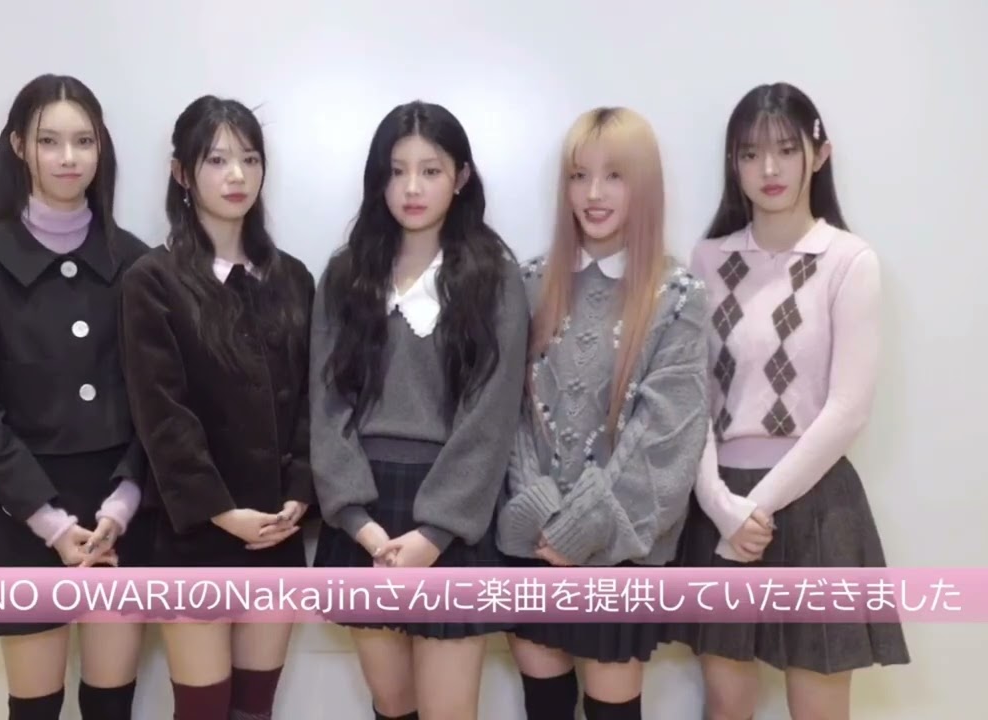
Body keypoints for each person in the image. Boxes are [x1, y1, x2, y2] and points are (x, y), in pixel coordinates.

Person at [668, 81, 911, 720]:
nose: (768, 169)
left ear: (819, 154)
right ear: (733, 163)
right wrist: (719, 504)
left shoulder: (849, 261)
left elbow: (848, 410)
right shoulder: (707, 260)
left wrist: (756, 507)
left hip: (815, 502)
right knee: (726, 707)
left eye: (785, 149)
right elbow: (691, 395)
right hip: (719, 501)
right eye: (750, 154)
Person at [0, 73, 153, 720]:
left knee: (111, 706)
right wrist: (54, 527)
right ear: (18, 147)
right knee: (34, 709)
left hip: (121, 512)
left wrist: (122, 504)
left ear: (101, 148)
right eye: (49, 141)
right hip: (22, 518)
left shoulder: (140, 263)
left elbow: (159, 408)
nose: (68, 157)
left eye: (84, 141)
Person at [309, 100, 529, 720]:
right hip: (365, 509)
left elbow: (491, 416)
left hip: (452, 514)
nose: (411, 188)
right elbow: (326, 405)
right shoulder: (346, 274)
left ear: (461, 178)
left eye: (430, 171)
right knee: (392, 704)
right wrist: (360, 523)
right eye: (396, 170)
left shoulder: (493, 276)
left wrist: (434, 533)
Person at [495, 106, 711, 720]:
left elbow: (668, 436)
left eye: (614, 175)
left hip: (619, 553)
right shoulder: (528, 282)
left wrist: (581, 528)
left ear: (645, 184)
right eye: (579, 175)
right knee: (544, 706)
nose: (593, 194)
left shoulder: (678, 296)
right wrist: (539, 513)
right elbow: (506, 414)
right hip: (531, 544)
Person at [119, 95, 314, 720]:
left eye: (250, 159)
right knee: (202, 708)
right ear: (182, 173)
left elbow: (314, 398)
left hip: (276, 529)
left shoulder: (292, 279)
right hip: (197, 531)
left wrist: (300, 493)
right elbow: (161, 413)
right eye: (217, 159)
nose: (237, 175)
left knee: (256, 707)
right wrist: (224, 512)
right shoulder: (153, 280)